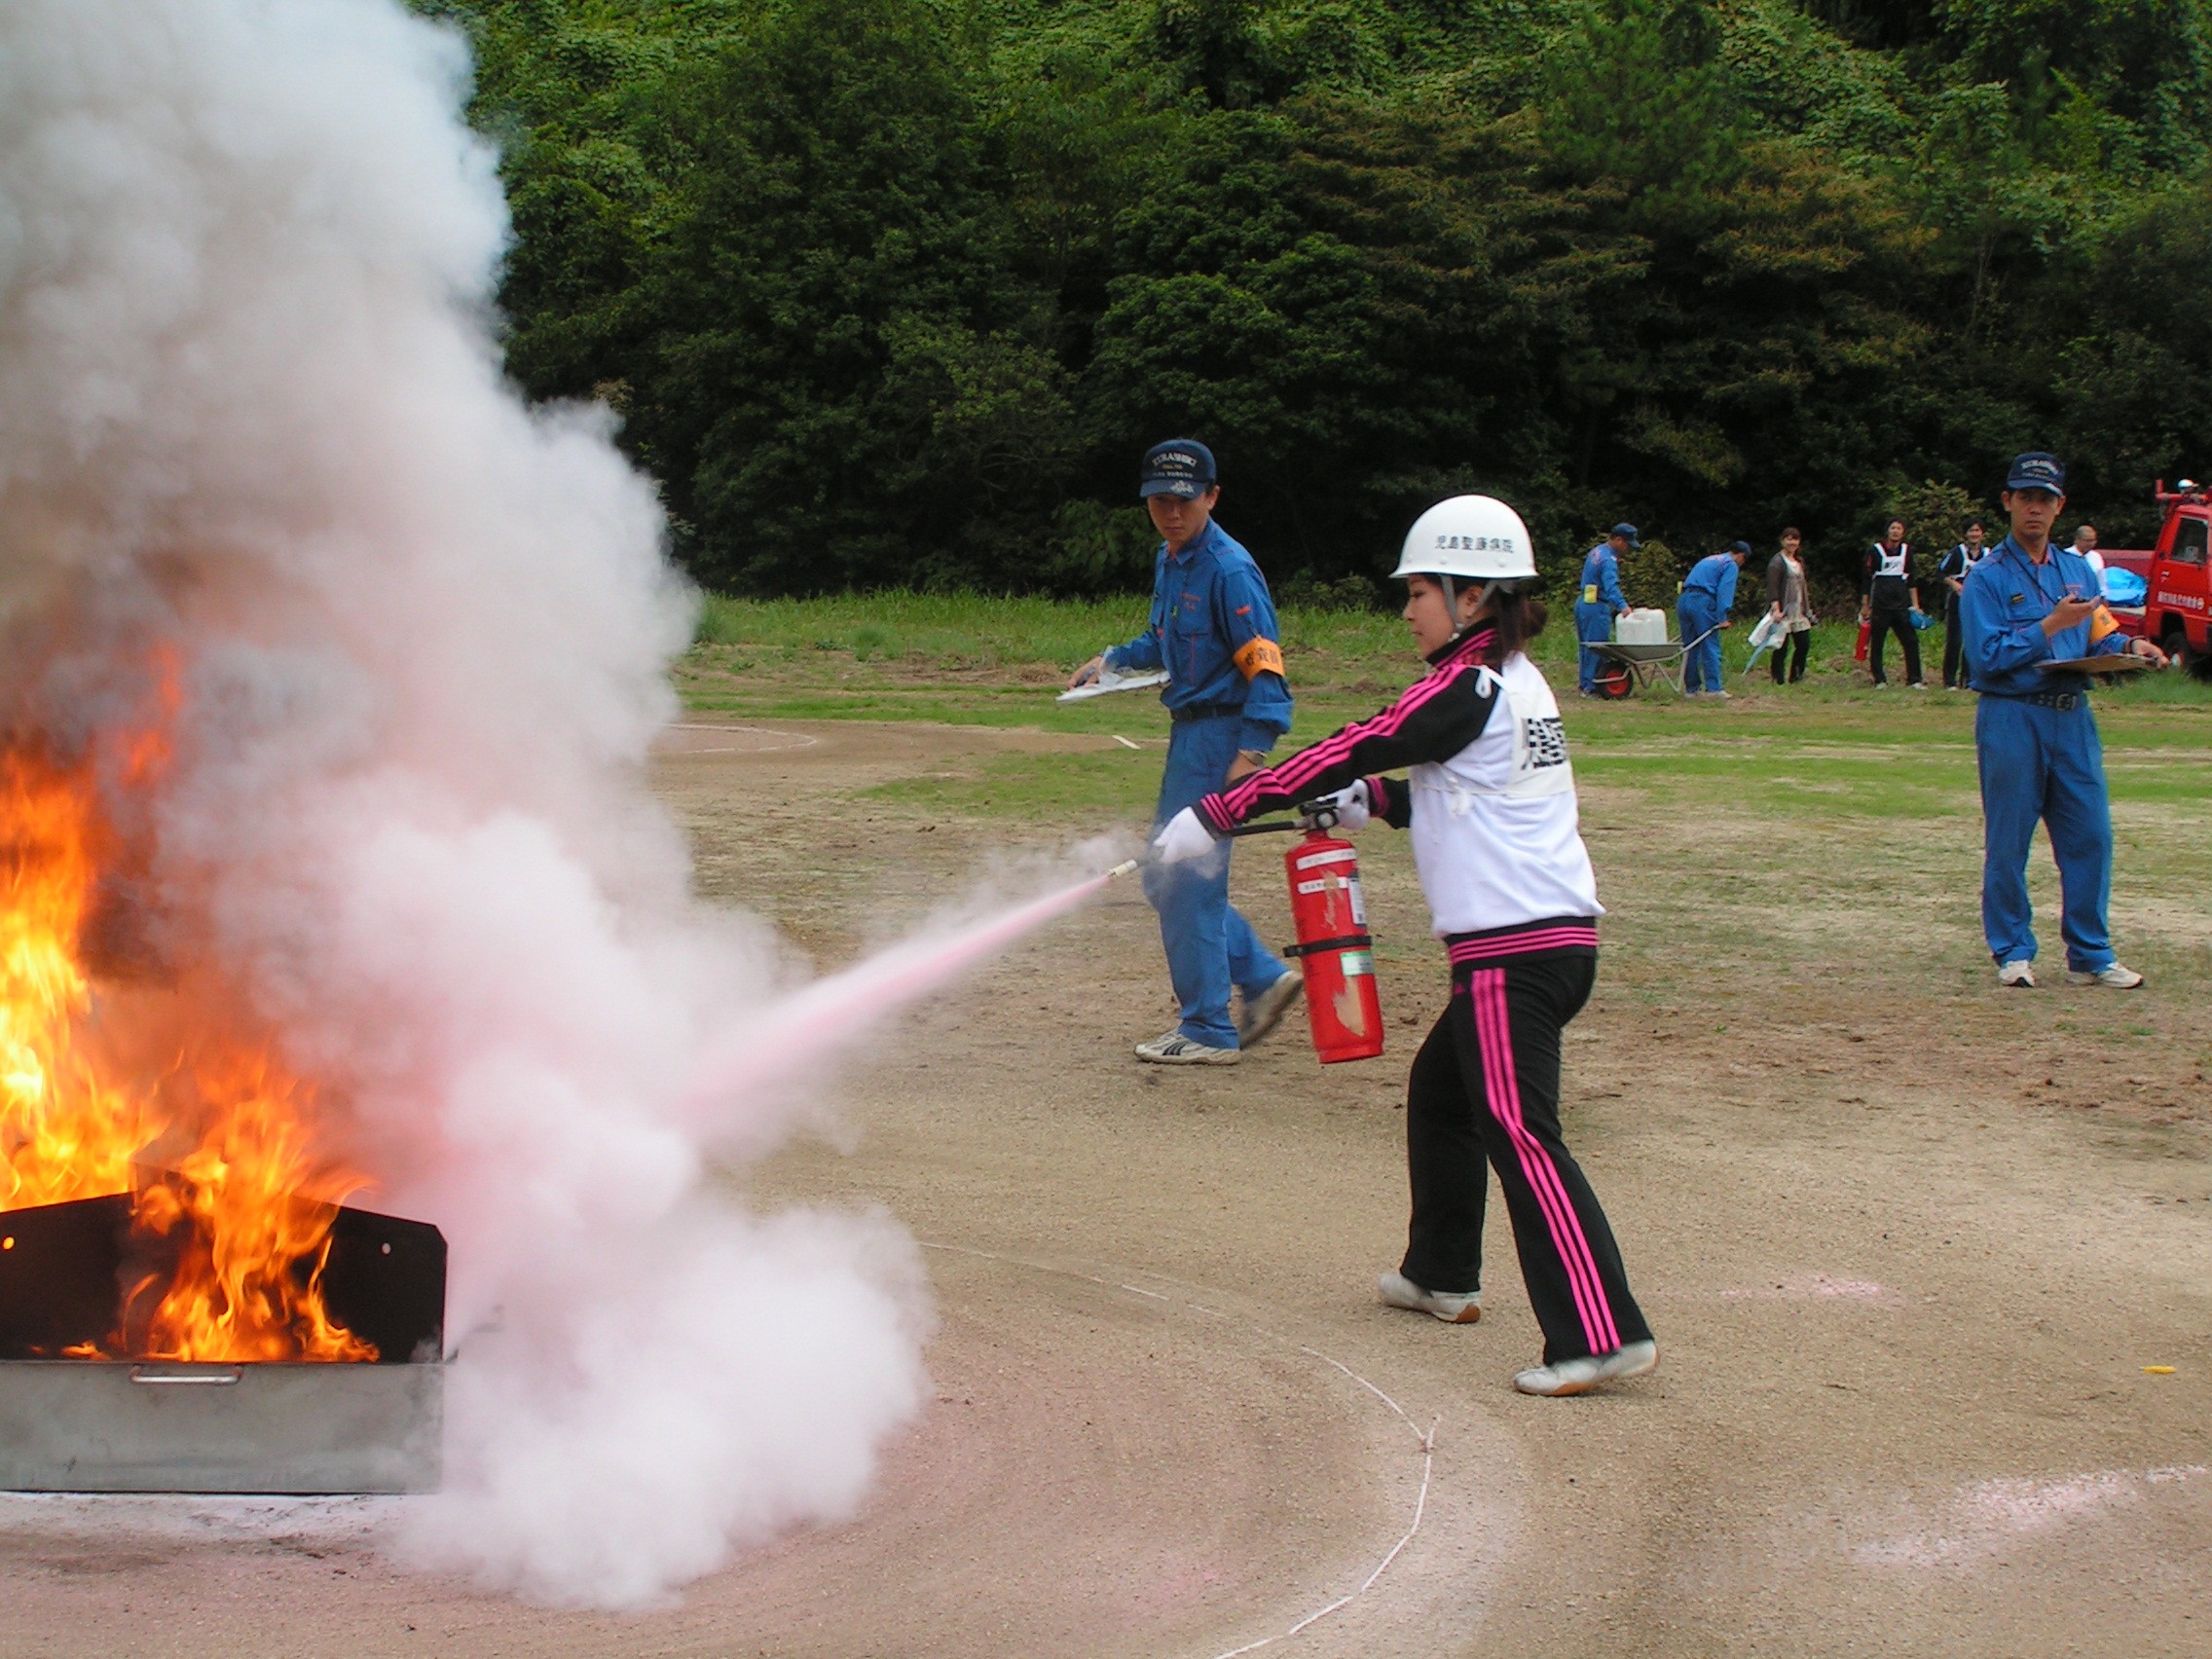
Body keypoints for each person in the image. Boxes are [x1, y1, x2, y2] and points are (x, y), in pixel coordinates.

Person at [1151, 495, 1657, 1396]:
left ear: (1472, 597)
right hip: (1535, 947)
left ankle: (1600, 1332)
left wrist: (1222, 810)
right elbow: (1453, 796)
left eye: (1420, 589)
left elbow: (1367, 740)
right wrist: (1370, 806)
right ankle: (1442, 1273)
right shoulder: (1511, 680)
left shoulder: (1468, 683)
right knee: (1443, 1095)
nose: (1407, 607)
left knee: (1522, 1135)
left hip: (1515, 953)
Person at [1069, 439, 1304, 1063]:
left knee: (1182, 878)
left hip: (1220, 738)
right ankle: (1257, 976)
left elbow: (1267, 669)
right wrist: (1113, 661)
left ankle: (1207, 1028)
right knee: (1172, 874)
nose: (1171, 512)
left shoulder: (1229, 569)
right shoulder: (1171, 560)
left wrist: (1250, 755)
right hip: (1190, 733)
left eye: (1184, 499)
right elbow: (1162, 638)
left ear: (1212, 496)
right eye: (1159, 500)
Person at [1960, 453, 2167, 989]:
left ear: (2060, 507)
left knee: (2090, 836)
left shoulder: (2076, 569)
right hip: (2012, 716)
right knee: (2010, 839)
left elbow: (2101, 631)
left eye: (2045, 499)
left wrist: (2132, 645)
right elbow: (1986, 657)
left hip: (2072, 716)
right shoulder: (1985, 576)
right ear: (2007, 502)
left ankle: (2091, 953)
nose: (2035, 508)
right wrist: (2048, 625)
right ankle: (2012, 950)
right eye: (2025, 497)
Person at [1677, 540, 1749, 696]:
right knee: (1710, 645)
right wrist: (1722, 617)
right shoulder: (1730, 565)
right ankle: (1714, 688)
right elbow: (1724, 591)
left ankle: (1692, 689)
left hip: (1684, 599)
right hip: (1702, 601)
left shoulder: (1711, 559)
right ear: (1741, 556)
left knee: (1690, 646)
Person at [1861, 518, 1925, 687]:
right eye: (1893, 528)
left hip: (1901, 604)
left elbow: (1912, 580)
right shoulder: (1875, 551)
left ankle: (1915, 679)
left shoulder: (1906, 551)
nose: (1896, 531)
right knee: (1878, 642)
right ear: (1887, 531)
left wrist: (1915, 605)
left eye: (1899, 528)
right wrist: (1865, 605)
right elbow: (1866, 580)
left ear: (1903, 532)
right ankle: (1879, 679)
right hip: (1881, 604)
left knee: (1911, 641)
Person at [1574, 524, 1634, 695]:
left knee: (1587, 646)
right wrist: (1623, 606)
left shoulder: (1597, 551)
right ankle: (1592, 687)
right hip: (1596, 606)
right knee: (1597, 647)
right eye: (1627, 544)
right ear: (1618, 539)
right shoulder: (1609, 561)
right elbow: (1611, 587)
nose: (1628, 549)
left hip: (1584, 602)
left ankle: (1585, 683)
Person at [1937, 519, 1988, 689]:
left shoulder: (1988, 553)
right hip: (1958, 600)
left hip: (1979, 601)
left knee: (1973, 640)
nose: (1974, 534)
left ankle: (1968, 679)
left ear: (1982, 534)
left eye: (1977, 531)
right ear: (1966, 534)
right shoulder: (1957, 552)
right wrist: (1954, 584)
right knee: (1955, 640)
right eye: (1971, 531)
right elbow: (1940, 572)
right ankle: (1949, 680)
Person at [1763, 528, 1813, 684]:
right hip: (1783, 610)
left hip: (1799, 610)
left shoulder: (1799, 561)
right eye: (1789, 539)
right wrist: (1775, 609)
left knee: (1803, 644)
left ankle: (1796, 676)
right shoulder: (1776, 562)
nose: (1792, 543)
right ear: (1782, 541)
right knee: (1781, 647)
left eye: (1795, 539)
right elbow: (1773, 586)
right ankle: (1778, 679)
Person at [2069, 523, 2105, 598]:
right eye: (2087, 541)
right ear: (2077, 540)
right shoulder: (2065, 556)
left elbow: (2100, 579)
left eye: (2093, 540)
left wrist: (2103, 595)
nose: (2091, 544)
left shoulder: (2096, 557)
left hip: (2093, 598)